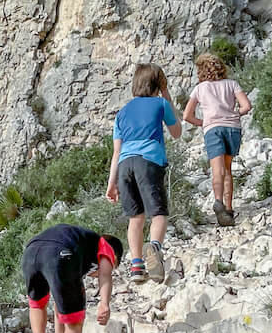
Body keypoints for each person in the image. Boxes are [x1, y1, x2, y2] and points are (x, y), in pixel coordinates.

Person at [17, 224, 123, 333]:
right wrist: (104, 303)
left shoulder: (81, 247)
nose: (93, 274)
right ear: (114, 259)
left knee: (37, 302)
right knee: (76, 322)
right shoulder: (105, 246)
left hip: (31, 252)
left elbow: (61, 306)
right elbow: (105, 274)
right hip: (61, 253)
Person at [105, 63, 182, 283]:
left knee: (135, 218)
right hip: (148, 162)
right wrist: (167, 97)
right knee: (158, 213)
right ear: (158, 84)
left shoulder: (121, 113)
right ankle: (154, 249)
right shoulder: (160, 103)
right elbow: (176, 133)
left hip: (124, 166)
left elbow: (116, 152)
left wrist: (112, 184)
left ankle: (136, 267)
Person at [181, 51, 252, 226]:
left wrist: (203, 123)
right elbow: (247, 106)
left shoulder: (200, 88)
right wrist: (234, 114)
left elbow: (187, 116)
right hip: (232, 128)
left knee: (217, 170)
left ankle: (218, 201)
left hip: (213, 129)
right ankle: (228, 210)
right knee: (227, 169)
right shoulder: (232, 84)